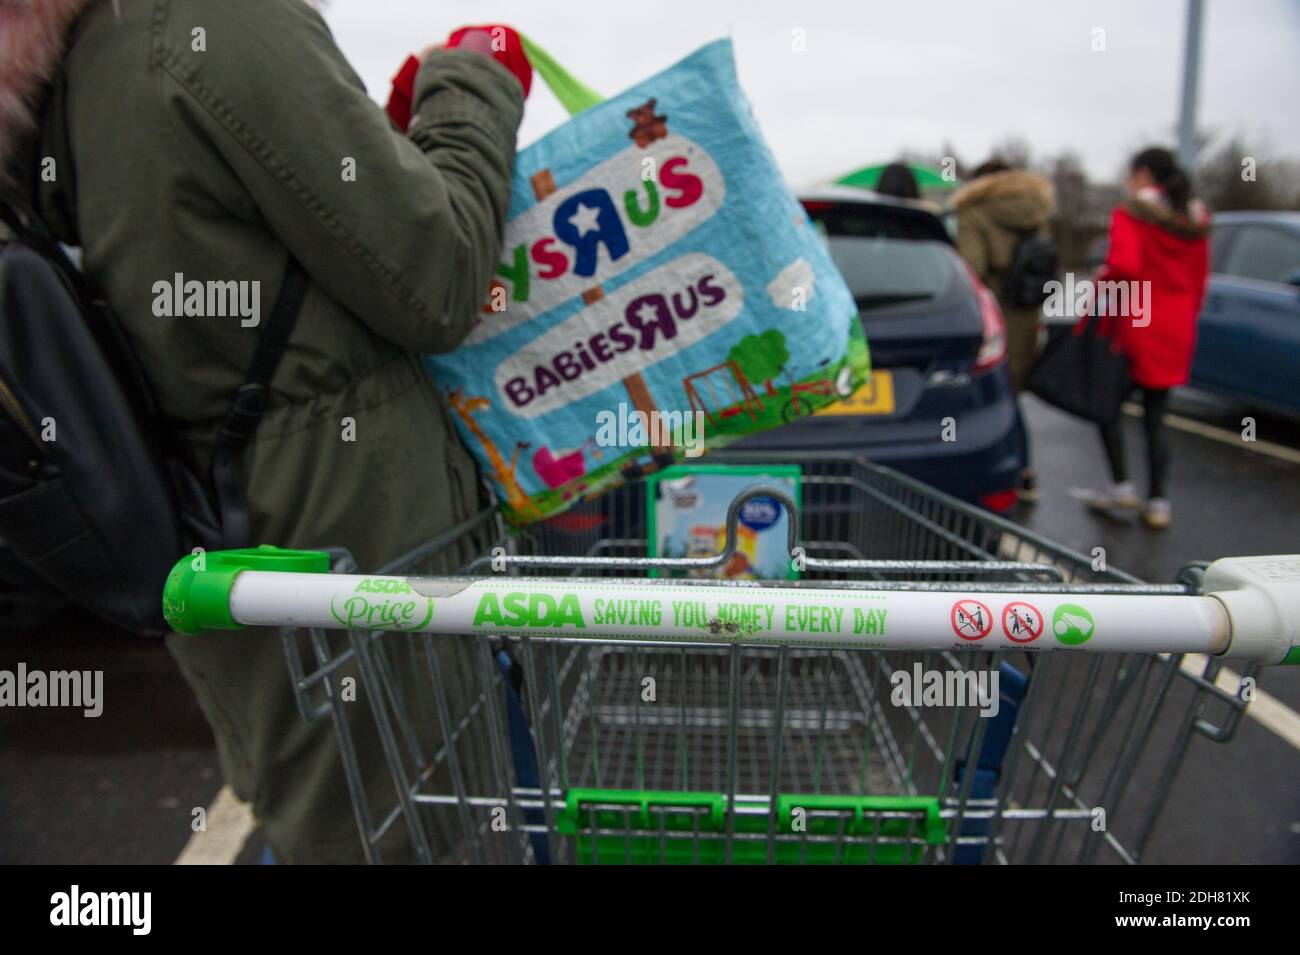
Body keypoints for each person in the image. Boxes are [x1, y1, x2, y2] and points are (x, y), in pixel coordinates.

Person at [0, 0, 527, 861]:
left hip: (231, 548)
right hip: (358, 555)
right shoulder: (208, 22)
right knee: (416, 824)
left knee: (325, 822)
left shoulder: (76, 65)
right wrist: (476, 83)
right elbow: (436, 274)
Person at [1085, 147, 1209, 530]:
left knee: (1106, 404)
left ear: (1142, 175)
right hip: (1177, 325)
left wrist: (1100, 281)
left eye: (1129, 174)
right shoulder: (1196, 219)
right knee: (1156, 416)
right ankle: (1158, 502)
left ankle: (1121, 486)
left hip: (1137, 325)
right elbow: (1201, 278)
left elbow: (1124, 264)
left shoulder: (1132, 213)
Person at [952, 158, 1055, 500]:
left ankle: (994, 472)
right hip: (1027, 314)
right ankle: (1024, 471)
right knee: (1012, 394)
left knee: (990, 393)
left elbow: (972, 271)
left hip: (992, 317)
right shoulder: (1035, 213)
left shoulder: (974, 212)